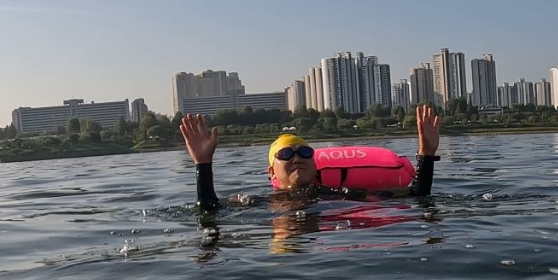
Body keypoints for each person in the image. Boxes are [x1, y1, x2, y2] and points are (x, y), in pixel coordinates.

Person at [180, 104, 442, 212]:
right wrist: (203, 164)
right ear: (272, 172)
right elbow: (209, 210)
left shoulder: (340, 193)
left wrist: (426, 155)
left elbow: (415, 196)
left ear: (315, 163)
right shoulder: (257, 202)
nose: (297, 157)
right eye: (285, 154)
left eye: (305, 152)